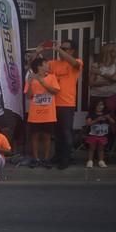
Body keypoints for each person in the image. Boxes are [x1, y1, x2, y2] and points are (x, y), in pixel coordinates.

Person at [45, 40, 83, 169]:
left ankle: (66, 159)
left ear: (72, 51)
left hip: (67, 104)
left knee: (66, 132)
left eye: (66, 49)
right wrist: (38, 53)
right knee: (57, 133)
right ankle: (58, 155)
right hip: (52, 103)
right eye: (62, 48)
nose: (62, 50)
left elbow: (74, 63)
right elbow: (38, 66)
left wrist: (58, 49)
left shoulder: (77, 62)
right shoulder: (53, 63)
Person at [24, 58, 60, 169]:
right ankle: (36, 159)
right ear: (39, 66)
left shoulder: (52, 77)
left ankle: (46, 159)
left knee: (47, 137)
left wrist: (41, 81)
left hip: (49, 114)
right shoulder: (31, 78)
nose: (48, 65)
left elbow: (55, 91)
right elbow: (28, 96)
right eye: (46, 64)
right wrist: (30, 83)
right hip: (35, 114)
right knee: (34, 137)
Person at [84, 99, 114, 168]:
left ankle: (101, 161)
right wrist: (97, 119)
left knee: (101, 149)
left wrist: (109, 118)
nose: (100, 106)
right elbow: (88, 123)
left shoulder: (106, 114)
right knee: (92, 148)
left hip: (103, 135)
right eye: (98, 105)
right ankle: (90, 161)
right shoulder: (91, 114)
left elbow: (113, 122)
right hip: (92, 135)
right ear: (94, 106)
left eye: (102, 105)